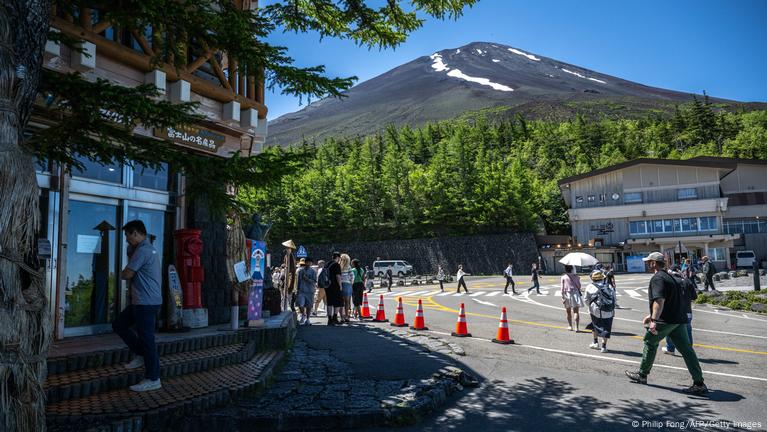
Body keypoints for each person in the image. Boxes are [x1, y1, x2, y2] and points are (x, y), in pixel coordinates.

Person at [625, 252, 707, 395]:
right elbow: (673, 300)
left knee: (650, 343)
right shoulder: (672, 278)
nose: (647, 264)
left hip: (665, 320)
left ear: (653, 263)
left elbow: (660, 301)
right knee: (687, 350)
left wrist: (654, 320)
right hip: (679, 320)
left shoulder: (658, 278)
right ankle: (699, 382)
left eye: (648, 261)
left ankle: (642, 375)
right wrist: (650, 315)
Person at [113, 220, 162, 392]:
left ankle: (153, 378)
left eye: (127, 236)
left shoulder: (143, 250)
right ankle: (141, 354)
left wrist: (121, 273)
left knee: (148, 340)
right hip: (143, 301)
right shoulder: (147, 249)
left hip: (145, 302)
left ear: (135, 233)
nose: (127, 240)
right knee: (119, 324)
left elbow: (127, 274)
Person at [663, 266, 698, 356]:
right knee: (688, 330)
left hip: (674, 311)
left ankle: (670, 349)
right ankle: (688, 351)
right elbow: (694, 297)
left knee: (670, 330)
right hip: (687, 311)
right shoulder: (687, 281)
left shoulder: (669, 281)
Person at [584, 270, 615, 352]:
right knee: (606, 328)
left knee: (595, 325)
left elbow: (586, 300)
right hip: (609, 311)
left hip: (596, 311)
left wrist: (590, 306)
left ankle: (595, 343)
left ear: (593, 278)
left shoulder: (590, 286)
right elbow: (614, 298)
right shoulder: (609, 286)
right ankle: (604, 347)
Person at [560, 265, 584, 332]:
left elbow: (562, 289)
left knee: (568, 312)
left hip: (567, 294)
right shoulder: (576, 276)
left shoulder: (563, 277)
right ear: (572, 269)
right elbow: (579, 286)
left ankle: (570, 326)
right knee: (576, 312)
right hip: (575, 294)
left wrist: (562, 297)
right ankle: (577, 327)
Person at [296, 258, 317, 325]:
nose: (308, 263)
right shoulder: (301, 271)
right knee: (300, 304)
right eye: (307, 262)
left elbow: (314, 281)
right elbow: (298, 281)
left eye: (309, 262)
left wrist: (307, 279)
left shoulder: (313, 271)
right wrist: (297, 290)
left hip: (310, 291)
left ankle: (307, 319)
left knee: (309, 306)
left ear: (311, 263)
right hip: (301, 290)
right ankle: (303, 314)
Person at [325, 252, 344, 325]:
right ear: (338, 257)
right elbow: (338, 276)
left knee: (329, 302)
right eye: (339, 258)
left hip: (327, 286)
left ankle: (329, 319)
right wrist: (340, 285)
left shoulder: (327, 264)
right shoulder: (336, 264)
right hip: (335, 286)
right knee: (338, 302)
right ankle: (335, 318)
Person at [340, 254, 354, 323]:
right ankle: (347, 316)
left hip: (339, 285)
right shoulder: (348, 267)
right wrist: (351, 283)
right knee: (347, 302)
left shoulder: (338, 266)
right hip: (347, 284)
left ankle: (342, 317)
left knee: (341, 302)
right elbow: (352, 276)